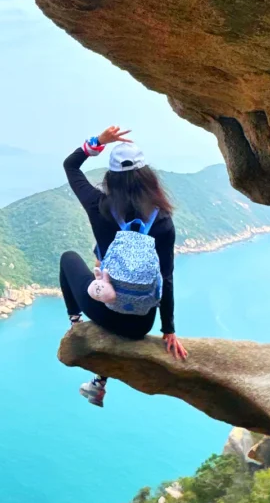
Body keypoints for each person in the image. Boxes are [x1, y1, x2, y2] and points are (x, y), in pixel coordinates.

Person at [61, 125, 187, 407]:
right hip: (141, 323)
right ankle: (99, 381)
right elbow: (166, 279)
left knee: (69, 258)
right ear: (148, 178)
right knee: (100, 254)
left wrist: (97, 142)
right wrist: (168, 330)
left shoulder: (98, 205)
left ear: (111, 178)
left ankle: (75, 325)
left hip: (103, 309)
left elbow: (71, 166)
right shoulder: (163, 220)